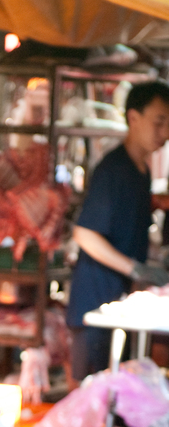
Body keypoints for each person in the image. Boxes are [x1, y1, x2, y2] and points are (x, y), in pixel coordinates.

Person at [67, 80, 169, 381]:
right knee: (91, 400)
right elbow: (84, 234)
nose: (164, 134)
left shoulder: (143, 170)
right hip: (94, 305)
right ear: (133, 118)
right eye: (159, 122)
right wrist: (135, 268)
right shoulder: (113, 170)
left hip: (117, 304)